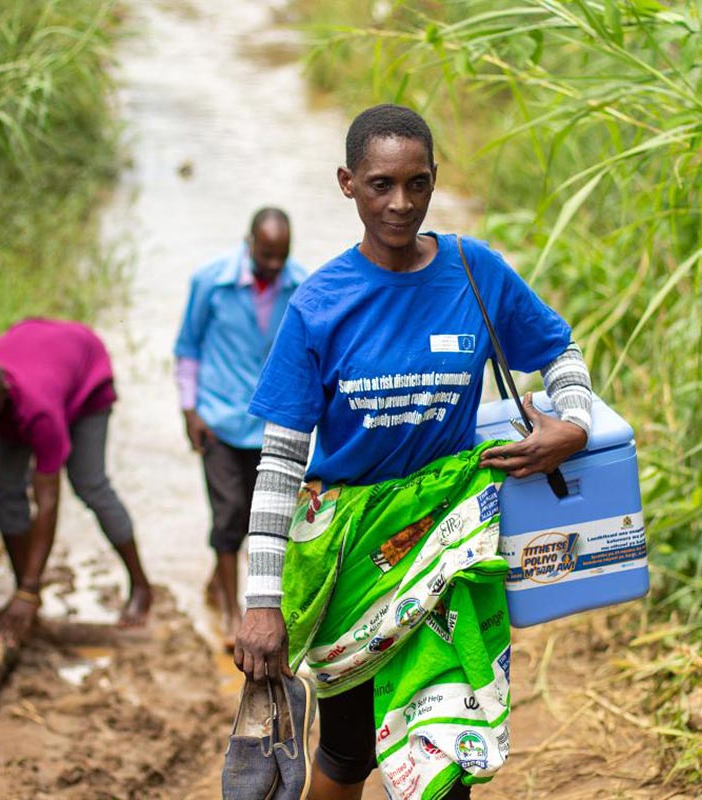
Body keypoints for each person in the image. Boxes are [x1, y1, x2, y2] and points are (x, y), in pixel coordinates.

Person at [233, 105, 595, 799]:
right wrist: (262, 601)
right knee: (344, 751)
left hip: (449, 551)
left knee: (443, 754)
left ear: (434, 182)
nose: (400, 203)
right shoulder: (320, 304)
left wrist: (572, 423)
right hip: (352, 561)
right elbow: (280, 466)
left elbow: (559, 351)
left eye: (417, 183)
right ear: (347, 183)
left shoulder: (473, 272)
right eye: (380, 185)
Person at [0, 318, 152, 644]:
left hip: (84, 377)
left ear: (4, 396)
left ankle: (141, 586)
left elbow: (47, 502)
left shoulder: (38, 413)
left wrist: (29, 589)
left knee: (89, 483)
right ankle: (27, 599)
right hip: (35, 365)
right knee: (5, 490)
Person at [174, 208, 306, 650]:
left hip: (271, 424)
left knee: (266, 519)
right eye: (266, 254)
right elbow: (188, 348)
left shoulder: (300, 286)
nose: (273, 265)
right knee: (229, 514)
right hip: (220, 422)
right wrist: (189, 410)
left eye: (280, 257)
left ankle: (221, 581)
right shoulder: (210, 282)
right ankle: (232, 610)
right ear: (249, 242)